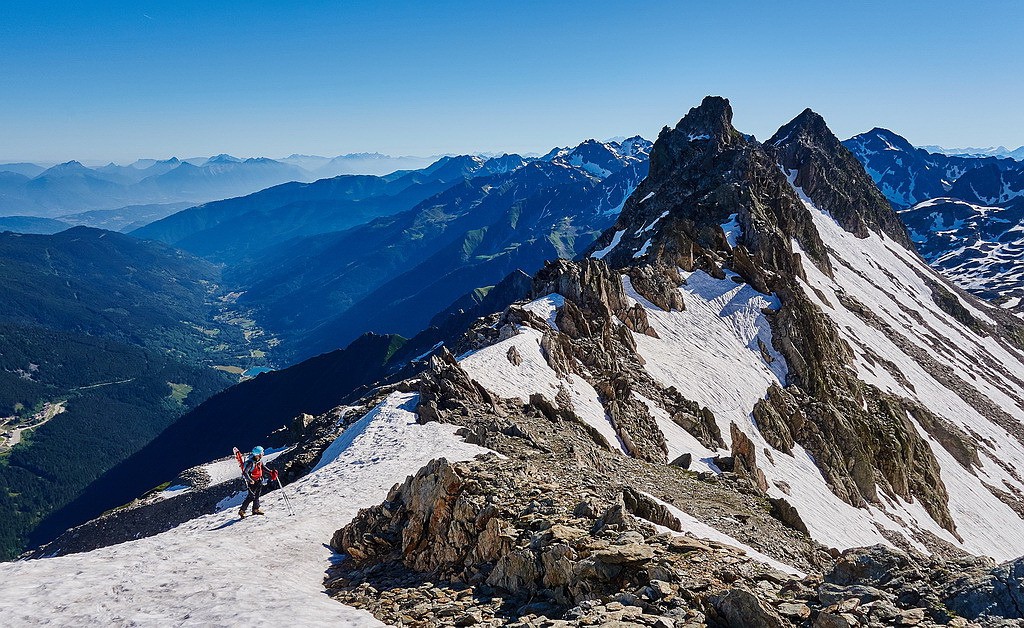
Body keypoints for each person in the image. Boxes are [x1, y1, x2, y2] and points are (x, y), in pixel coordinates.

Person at [239, 446, 278, 518]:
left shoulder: (259, 461)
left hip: (259, 480)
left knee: (257, 496)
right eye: (262, 453)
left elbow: (262, 467)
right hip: (252, 482)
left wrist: (270, 472)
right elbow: (245, 472)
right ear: (258, 454)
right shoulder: (251, 463)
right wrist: (250, 480)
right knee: (251, 497)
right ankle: (242, 510)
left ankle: (255, 509)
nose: (263, 454)